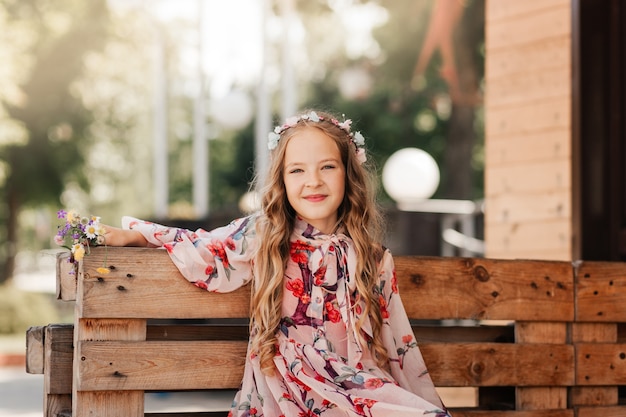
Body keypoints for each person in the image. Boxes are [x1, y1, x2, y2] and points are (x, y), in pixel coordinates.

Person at [104, 110, 451, 417]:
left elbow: (397, 343)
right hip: (288, 389)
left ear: (348, 174)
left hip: (357, 389)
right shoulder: (263, 236)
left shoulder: (373, 258)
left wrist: (421, 402)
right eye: (297, 170)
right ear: (283, 182)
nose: (313, 181)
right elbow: (204, 248)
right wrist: (136, 237)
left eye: (327, 167)